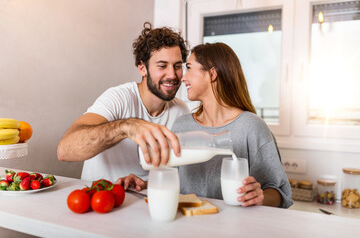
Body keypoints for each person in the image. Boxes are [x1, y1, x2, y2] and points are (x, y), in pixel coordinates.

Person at [126, 42, 293, 208]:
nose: (183, 77)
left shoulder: (251, 128)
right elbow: (173, 181)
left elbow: (280, 193)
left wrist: (261, 196)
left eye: (189, 68)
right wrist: (145, 184)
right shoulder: (182, 125)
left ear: (212, 73)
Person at [57, 22, 189, 187]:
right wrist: (126, 127)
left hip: (143, 201)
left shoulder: (181, 111)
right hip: (99, 198)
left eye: (177, 66)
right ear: (142, 68)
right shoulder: (119, 98)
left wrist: (146, 183)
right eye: (162, 66)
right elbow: (65, 151)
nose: (172, 74)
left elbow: (176, 171)